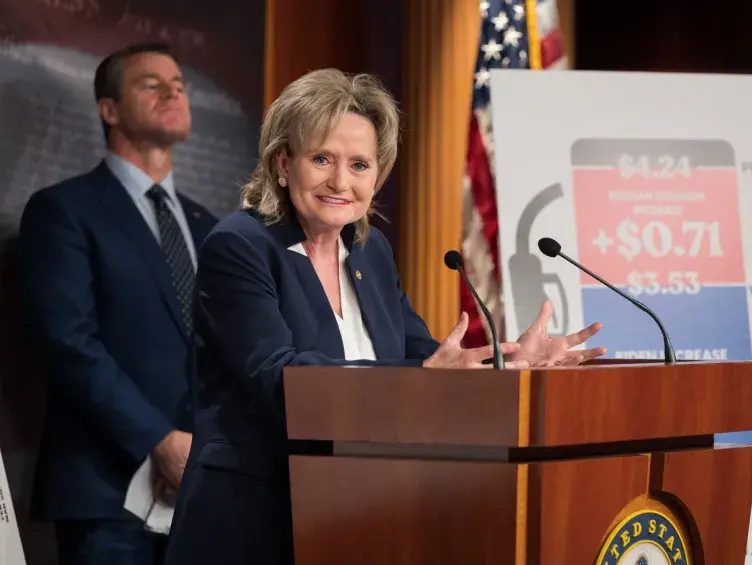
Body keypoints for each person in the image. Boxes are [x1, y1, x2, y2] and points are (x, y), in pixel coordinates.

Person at [163, 68, 605, 565]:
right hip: (254, 521)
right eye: (322, 159)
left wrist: (507, 362)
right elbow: (277, 379)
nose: (340, 181)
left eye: (359, 165)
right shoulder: (240, 246)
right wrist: (423, 374)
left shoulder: (369, 251)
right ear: (283, 163)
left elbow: (424, 356)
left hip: (362, 515)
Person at [17, 43, 218, 565]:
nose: (172, 92)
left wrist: (206, 450)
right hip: (106, 494)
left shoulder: (210, 227)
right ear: (108, 109)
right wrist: (160, 441)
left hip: (202, 493)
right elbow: (67, 342)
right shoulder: (63, 210)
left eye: (179, 85)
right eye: (152, 84)